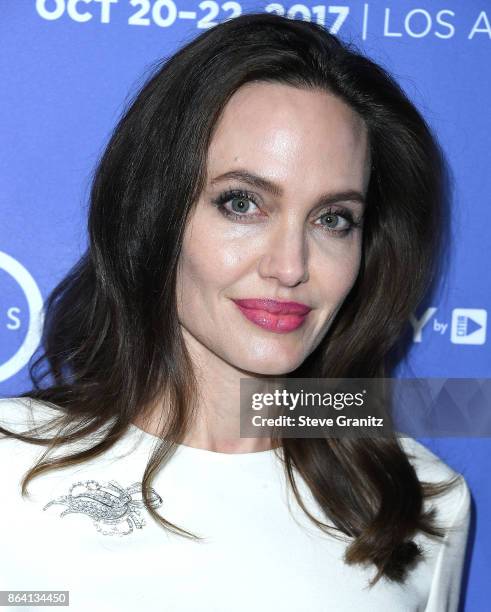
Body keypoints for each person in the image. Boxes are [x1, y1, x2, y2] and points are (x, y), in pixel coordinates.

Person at [0, 11, 471, 612]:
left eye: (333, 219)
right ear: (154, 214)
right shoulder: (9, 470)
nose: (291, 265)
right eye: (242, 203)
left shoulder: (419, 503)